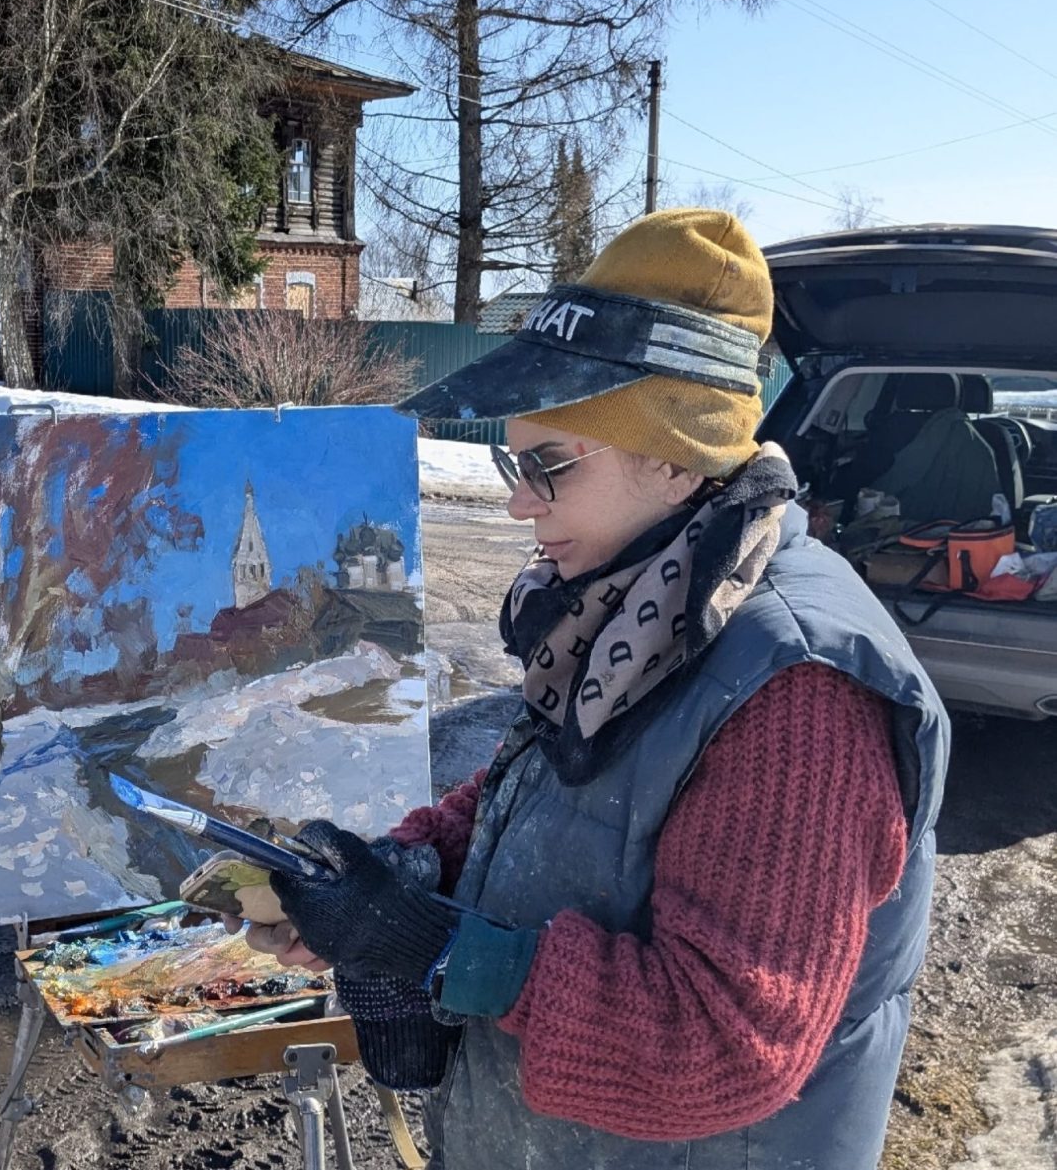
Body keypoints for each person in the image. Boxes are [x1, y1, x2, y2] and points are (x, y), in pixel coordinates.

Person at [230, 209, 949, 1169]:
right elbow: (548, 788)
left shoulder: (799, 692)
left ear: (672, 452)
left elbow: (726, 1044)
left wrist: (445, 952)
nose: (518, 501)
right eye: (509, 461)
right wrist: (410, 869)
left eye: (547, 466)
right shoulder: (636, 602)